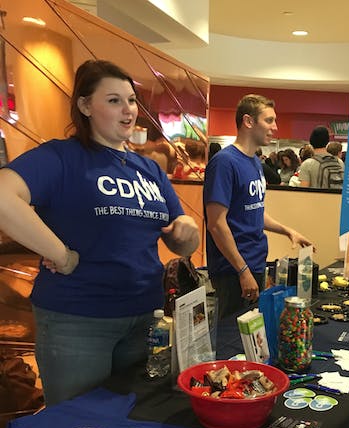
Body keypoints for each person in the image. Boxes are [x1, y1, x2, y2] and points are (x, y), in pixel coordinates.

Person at [0, 60, 199, 406]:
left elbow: (181, 241)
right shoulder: (62, 157)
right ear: (84, 105)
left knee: (133, 420)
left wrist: (187, 231)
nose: (128, 111)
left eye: (132, 100)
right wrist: (60, 254)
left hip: (144, 318)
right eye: (113, 101)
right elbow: (3, 197)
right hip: (77, 322)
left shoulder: (149, 169)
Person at [203, 94, 313, 318]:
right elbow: (216, 224)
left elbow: (253, 212)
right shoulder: (224, 162)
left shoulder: (254, 161)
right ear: (248, 121)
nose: (275, 127)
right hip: (233, 269)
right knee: (233, 340)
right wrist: (242, 270)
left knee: (251, 338)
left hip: (254, 262)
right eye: (269, 120)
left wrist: (287, 231)